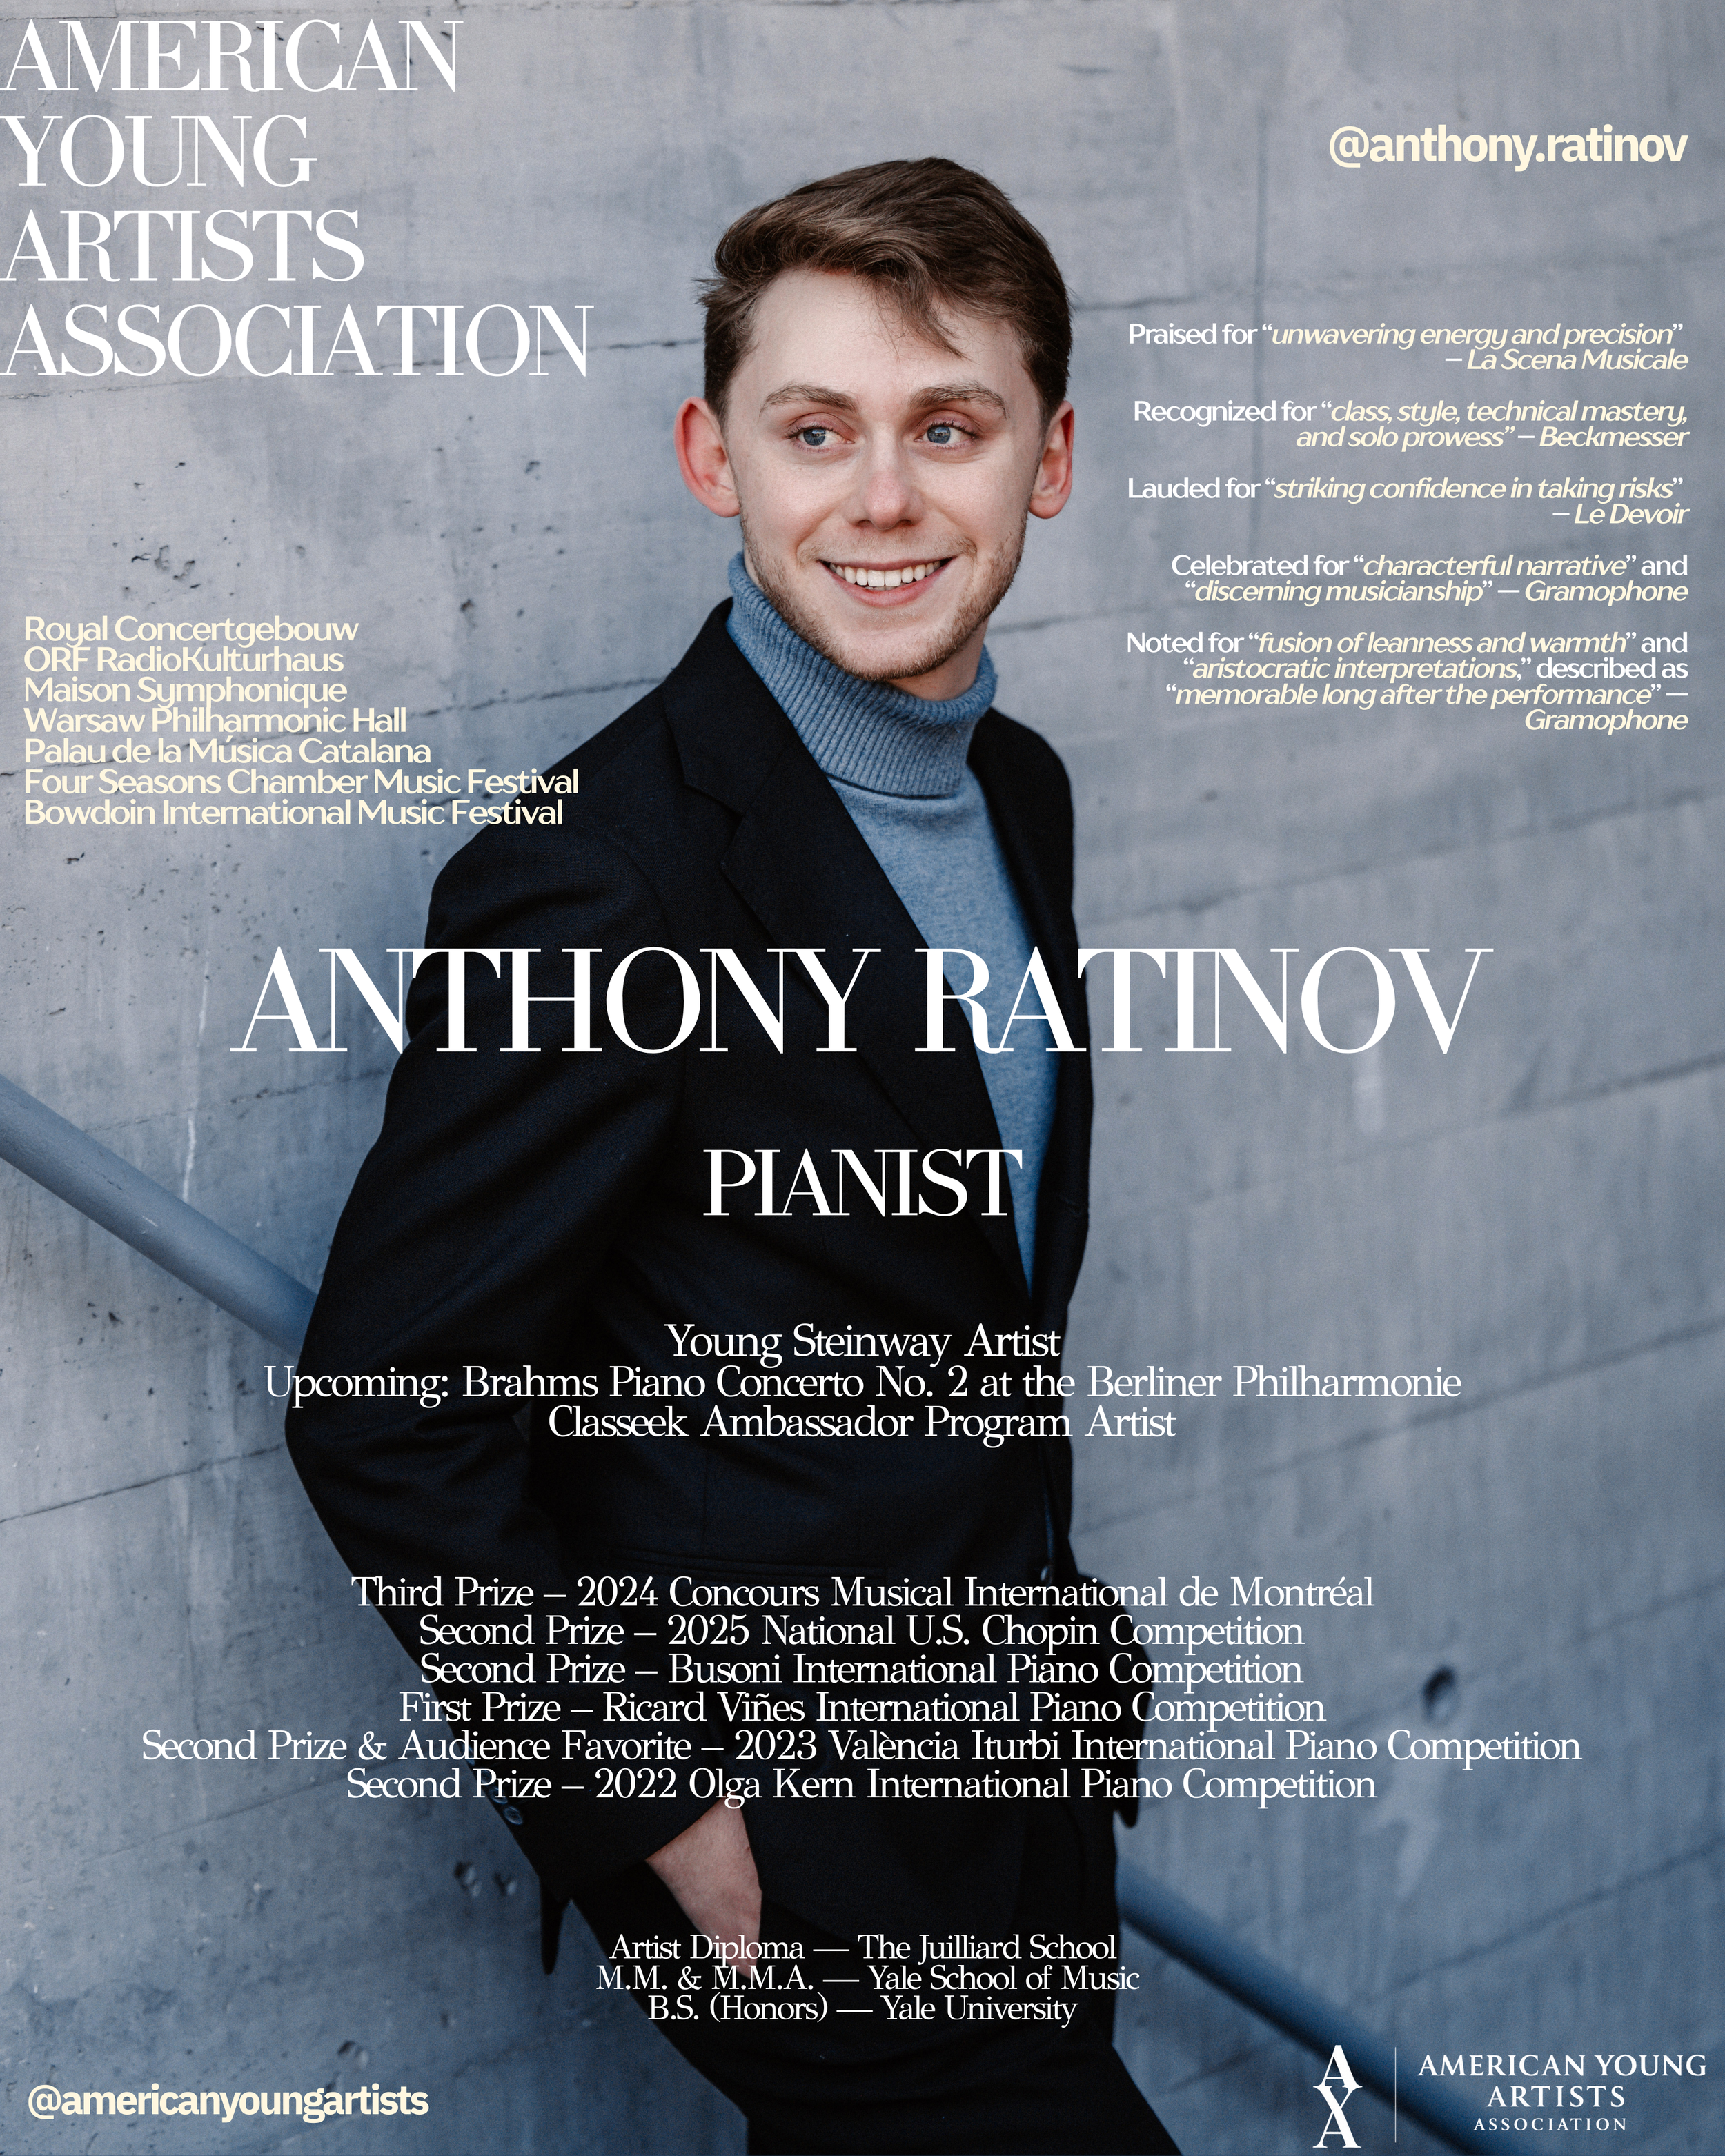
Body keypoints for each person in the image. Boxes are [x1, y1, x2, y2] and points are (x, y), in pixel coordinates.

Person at [287, 159, 1176, 2154]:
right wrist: (649, 1794)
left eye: (947, 426)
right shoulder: (597, 871)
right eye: (813, 430)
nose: (881, 498)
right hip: (780, 1823)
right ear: (714, 456)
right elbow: (388, 1406)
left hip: (1006, 1768)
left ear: (1048, 459)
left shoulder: (1013, 790)